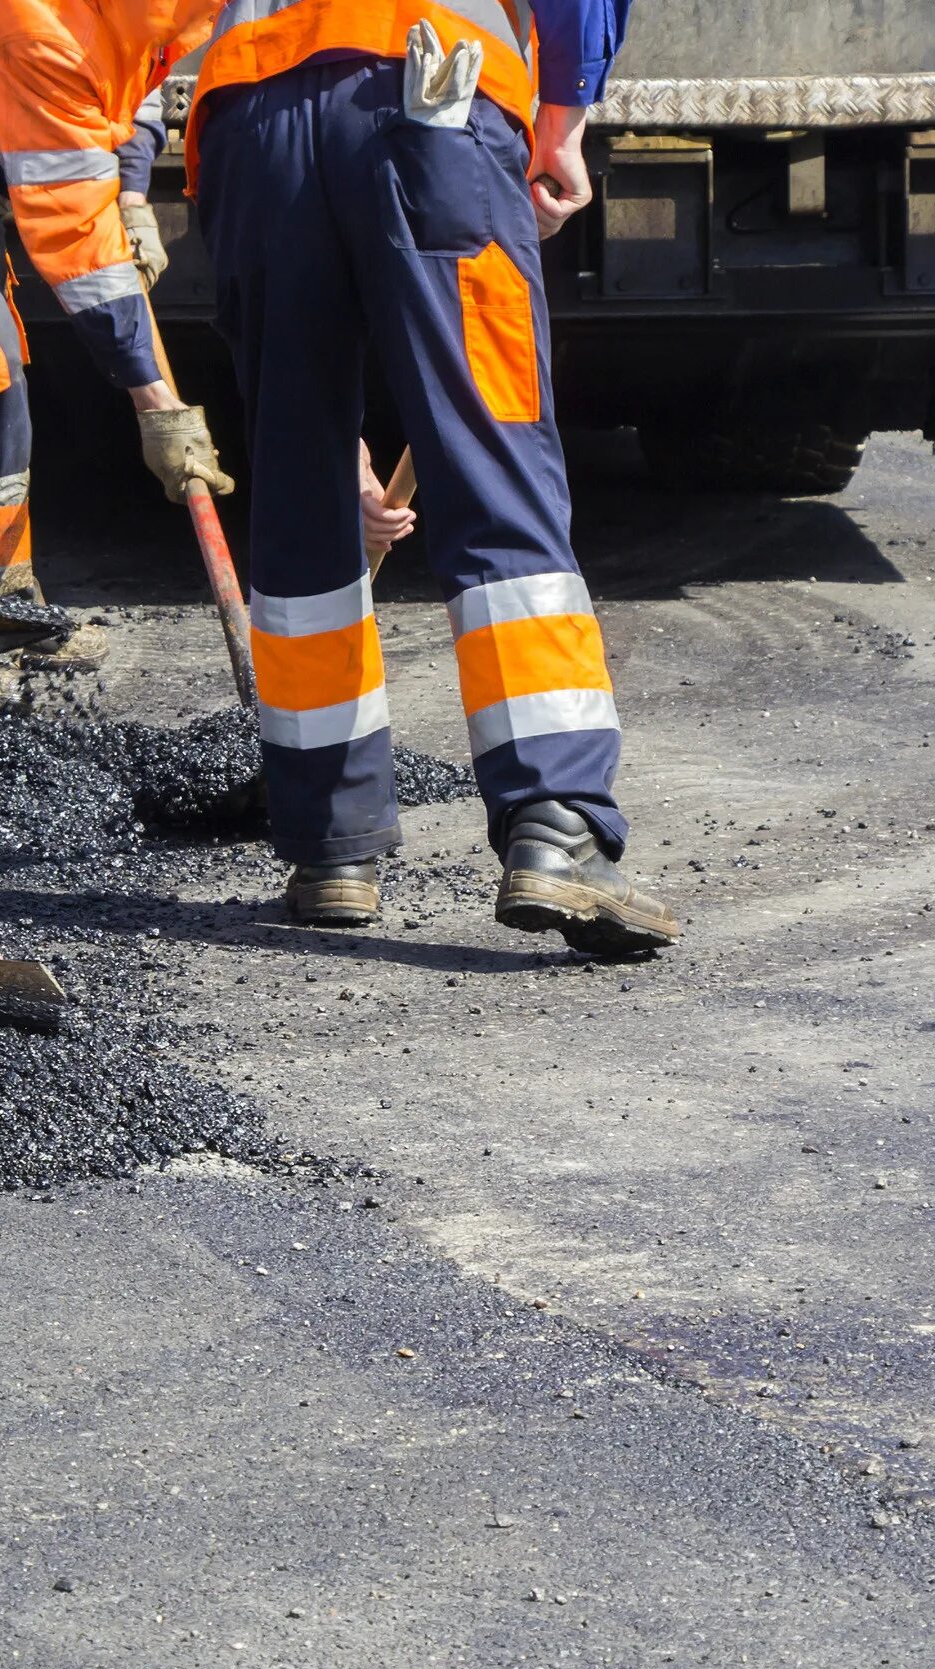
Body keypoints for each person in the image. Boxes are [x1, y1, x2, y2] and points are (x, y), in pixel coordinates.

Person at [188, 0, 680, 955]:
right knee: (495, 466)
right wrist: (561, 125)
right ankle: (556, 825)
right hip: (432, 95)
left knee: (304, 487)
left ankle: (331, 846)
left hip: (248, 120)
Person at [0, 7, 226, 712]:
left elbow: (130, 91)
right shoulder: (35, 32)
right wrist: (157, 404)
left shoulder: (128, 17)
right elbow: (77, 253)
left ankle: (12, 607)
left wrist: (128, 193)